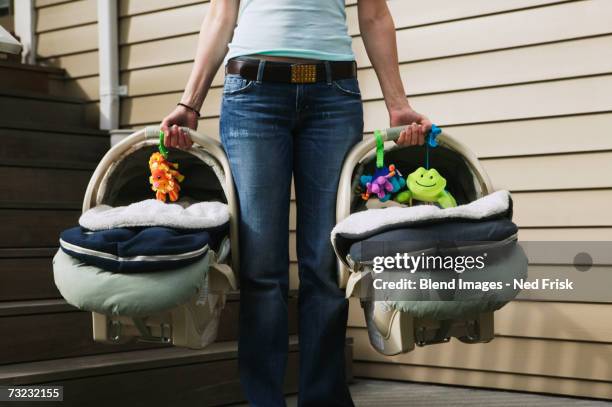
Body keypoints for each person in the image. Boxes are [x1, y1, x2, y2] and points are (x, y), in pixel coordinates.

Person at [161, 1, 432, 405]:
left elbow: (374, 15)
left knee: (325, 266)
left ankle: (322, 398)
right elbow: (221, 14)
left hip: (333, 96)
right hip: (253, 94)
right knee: (261, 268)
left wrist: (397, 103)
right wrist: (189, 103)